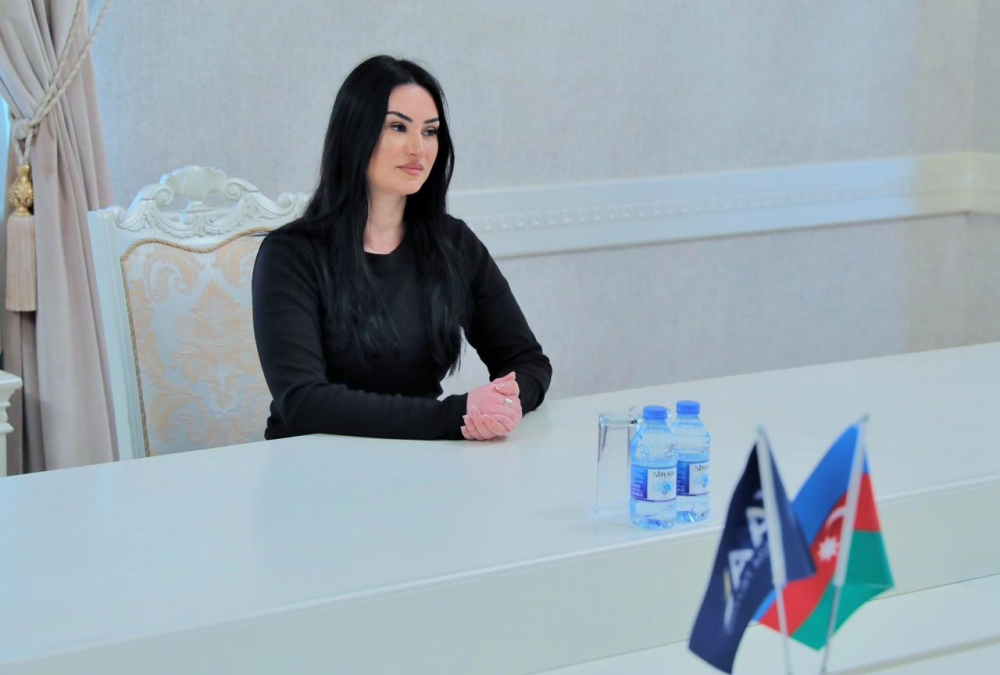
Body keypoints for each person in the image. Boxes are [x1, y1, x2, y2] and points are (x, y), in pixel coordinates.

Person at [252, 55, 552, 442]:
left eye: (430, 132)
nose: (418, 148)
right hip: (313, 463)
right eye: (398, 127)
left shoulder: (454, 243)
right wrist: (455, 415)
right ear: (355, 134)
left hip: (420, 459)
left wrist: (505, 402)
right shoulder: (290, 254)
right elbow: (304, 401)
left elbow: (526, 361)